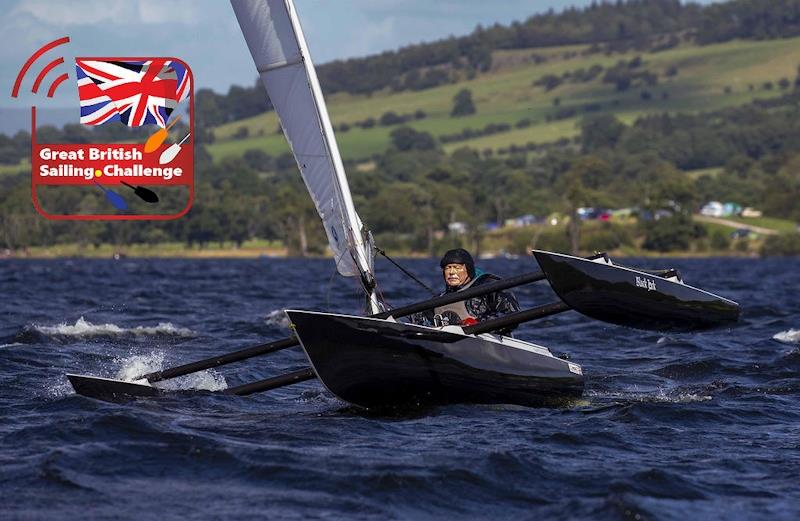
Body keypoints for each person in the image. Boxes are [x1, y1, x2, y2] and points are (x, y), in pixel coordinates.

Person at [411, 248, 520, 334]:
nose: (452, 272)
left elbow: (511, 315)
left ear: (468, 269)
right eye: (448, 268)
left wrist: (480, 323)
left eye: (457, 267)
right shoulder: (439, 299)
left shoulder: (490, 287)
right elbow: (419, 320)